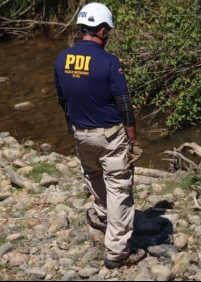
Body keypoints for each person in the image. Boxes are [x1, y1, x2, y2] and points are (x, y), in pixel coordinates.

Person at [53, 2, 145, 269]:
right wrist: (133, 139)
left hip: (81, 133)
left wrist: (73, 127)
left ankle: (103, 215)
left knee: (93, 175)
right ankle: (117, 253)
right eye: (109, 31)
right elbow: (124, 105)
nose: (109, 36)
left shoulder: (62, 58)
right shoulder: (109, 62)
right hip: (110, 136)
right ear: (103, 31)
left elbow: (62, 99)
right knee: (119, 188)